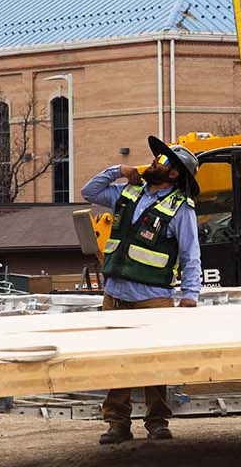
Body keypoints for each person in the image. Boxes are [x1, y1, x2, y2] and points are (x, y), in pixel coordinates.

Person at [80, 136, 201, 445]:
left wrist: (190, 297)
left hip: (153, 298)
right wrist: (118, 170)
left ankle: (157, 421)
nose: (154, 163)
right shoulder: (127, 192)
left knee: (154, 362)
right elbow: (88, 192)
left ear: (175, 174)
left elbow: (190, 255)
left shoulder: (181, 209)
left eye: (163, 161)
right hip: (115, 293)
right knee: (116, 359)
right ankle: (117, 423)